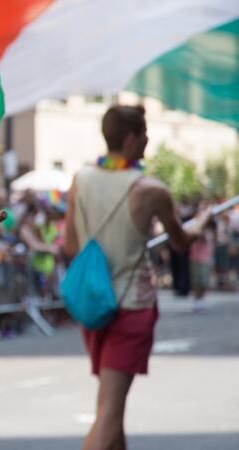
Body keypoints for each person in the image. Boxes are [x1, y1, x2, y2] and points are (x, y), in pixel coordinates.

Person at [62, 105, 211, 450]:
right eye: (144, 133)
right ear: (130, 139)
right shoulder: (150, 190)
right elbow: (180, 242)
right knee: (110, 410)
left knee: (109, 405)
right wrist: (201, 223)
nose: (148, 139)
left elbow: (70, 245)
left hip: (93, 304)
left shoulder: (80, 180)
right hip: (131, 305)